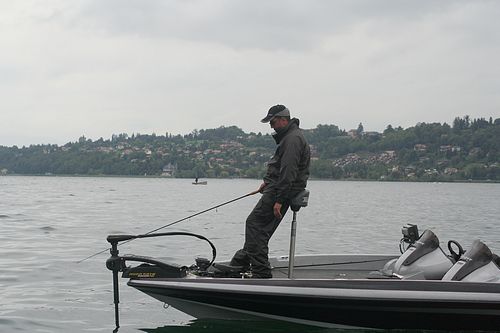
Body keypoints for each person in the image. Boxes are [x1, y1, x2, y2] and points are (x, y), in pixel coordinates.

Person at [230, 104, 311, 278]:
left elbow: (289, 171)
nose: (271, 126)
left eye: (273, 122)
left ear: (283, 119)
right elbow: (282, 168)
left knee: (254, 224)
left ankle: (261, 272)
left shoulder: (292, 139)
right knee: (259, 230)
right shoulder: (291, 137)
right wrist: (267, 183)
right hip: (277, 189)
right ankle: (241, 262)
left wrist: (279, 200)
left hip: (281, 192)